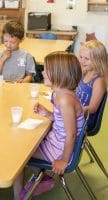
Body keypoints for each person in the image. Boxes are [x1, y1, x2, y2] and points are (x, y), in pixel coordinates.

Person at [14, 52, 84, 200]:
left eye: (46, 70)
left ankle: (20, 196)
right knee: (29, 142)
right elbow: (63, 121)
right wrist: (48, 114)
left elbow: (71, 135)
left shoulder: (65, 100)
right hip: (57, 140)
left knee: (18, 155)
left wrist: (64, 161)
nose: (42, 72)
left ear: (59, 74)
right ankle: (41, 177)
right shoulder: (59, 93)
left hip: (60, 148)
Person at [76, 40, 108, 129]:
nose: (82, 61)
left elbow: (93, 108)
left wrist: (74, 111)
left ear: (98, 60)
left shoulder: (98, 81)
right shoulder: (84, 73)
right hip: (77, 115)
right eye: (81, 57)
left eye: (86, 59)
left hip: (85, 121)